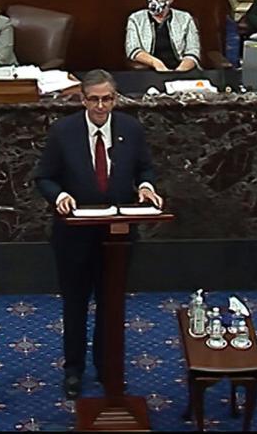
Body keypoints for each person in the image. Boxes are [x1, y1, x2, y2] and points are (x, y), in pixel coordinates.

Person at [33, 70, 163, 399]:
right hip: (74, 235)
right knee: (75, 305)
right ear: (83, 99)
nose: (101, 106)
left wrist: (146, 187)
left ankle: (107, 367)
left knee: (111, 304)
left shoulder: (130, 130)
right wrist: (59, 196)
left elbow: (144, 168)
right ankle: (73, 370)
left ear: (115, 99)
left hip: (117, 236)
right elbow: (44, 177)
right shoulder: (64, 132)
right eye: (94, 100)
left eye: (107, 99)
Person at [125, 0, 201, 72]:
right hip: (151, 71)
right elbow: (133, 50)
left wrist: (178, 72)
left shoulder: (185, 18)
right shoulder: (136, 19)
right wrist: (157, 63)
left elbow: (193, 51)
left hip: (182, 70)